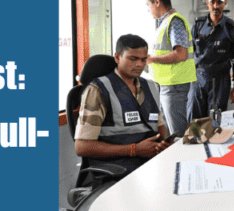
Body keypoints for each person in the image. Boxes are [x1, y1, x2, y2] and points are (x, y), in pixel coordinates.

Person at [75, 34, 175, 177]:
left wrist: (165, 143)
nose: (140, 65)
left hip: (151, 164)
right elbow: (82, 147)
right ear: (117, 57)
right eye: (133, 59)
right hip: (118, 169)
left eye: (143, 59)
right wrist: (134, 150)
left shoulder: (151, 87)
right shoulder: (98, 90)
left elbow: (159, 128)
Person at [143, 0, 195, 136]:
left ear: (157, 2)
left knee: (177, 133)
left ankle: (182, 159)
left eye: (149, 5)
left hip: (174, 86)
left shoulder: (174, 22)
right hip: (166, 85)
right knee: (168, 130)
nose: (148, 9)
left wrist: (152, 60)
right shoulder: (164, 23)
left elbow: (180, 54)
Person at [188, 0, 234, 121]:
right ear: (207, 3)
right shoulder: (197, 25)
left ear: (225, 3)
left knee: (215, 121)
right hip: (198, 79)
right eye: (212, 2)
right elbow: (189, 54)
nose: (215, 6)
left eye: (219, 2)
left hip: (220, 81)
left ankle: (213, 141)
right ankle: (196, 142)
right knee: (194, 119)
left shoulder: (233, 29)